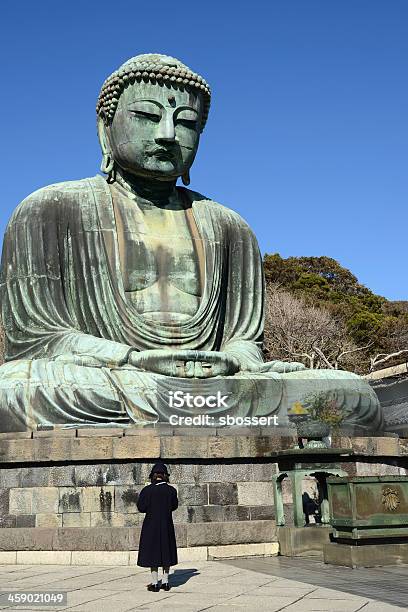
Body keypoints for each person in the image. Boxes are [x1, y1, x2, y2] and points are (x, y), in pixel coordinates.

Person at [0, 52, 384, 434]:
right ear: (105, 127)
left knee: (349, 395)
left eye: (186, 122)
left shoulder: (230, 227)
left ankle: (187, 410)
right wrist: (134, 359)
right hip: (114, 379)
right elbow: (38, 341)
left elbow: (244, 342)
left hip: (214, 388)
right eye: (148, 116)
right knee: (16, 391)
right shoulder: (49, 210)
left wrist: (233, 361)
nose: (167, 134)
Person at [137, 462, 178, 592]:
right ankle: (165, 582)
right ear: (166, 476)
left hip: (151, 526)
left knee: (153, 554)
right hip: (166, 525)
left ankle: (155, 583)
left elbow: (141, 507)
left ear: (153, 476)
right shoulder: (171, 491)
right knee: (166, 552)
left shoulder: (147, 490)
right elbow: (174, 506)